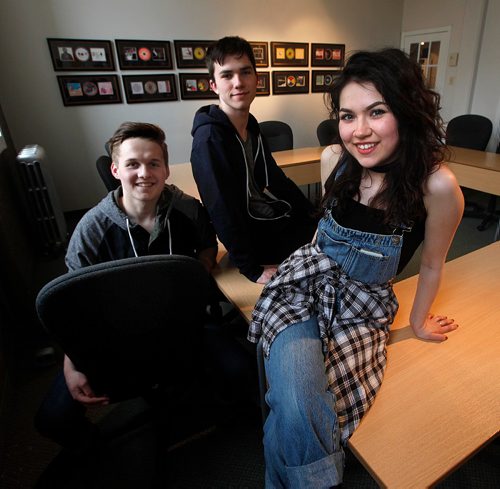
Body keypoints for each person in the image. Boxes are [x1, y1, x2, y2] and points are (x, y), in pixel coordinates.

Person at [249, 48, 465, 488]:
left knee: (303, 410)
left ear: (405, 112)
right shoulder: (336, 160)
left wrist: (418, 323)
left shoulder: (436, 185)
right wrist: (292, 272)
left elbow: (430, 264)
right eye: (348, 116)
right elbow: (319, 236)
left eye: (376, 112)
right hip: (303, 289)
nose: (359, 131)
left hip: (362, 309)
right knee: (299, 396)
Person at [35, 122, 252, 449]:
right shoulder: (92, 230)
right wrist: (72, 361)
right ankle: (105, 454)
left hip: (183, 327)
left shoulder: (188, 209)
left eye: (153, 163)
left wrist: (202, 268)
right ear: (115, 169)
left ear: (166, 169)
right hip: (114, 338)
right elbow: (72, 309)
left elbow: (208, 243)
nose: (144, 173)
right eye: (132, 164)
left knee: (244, 373)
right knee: (52, 419)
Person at [190, 36, 317, 284]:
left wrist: (313, 215)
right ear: (213, 85)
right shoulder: (210, 139)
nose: (238, 82)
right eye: (227, 75)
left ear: (256, 78)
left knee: (327, 233)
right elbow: (220, 208)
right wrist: (251, 269)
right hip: (252, 238)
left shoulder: (251, 125)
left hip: (269, 219)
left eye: (245, 72)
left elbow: (276, 179)